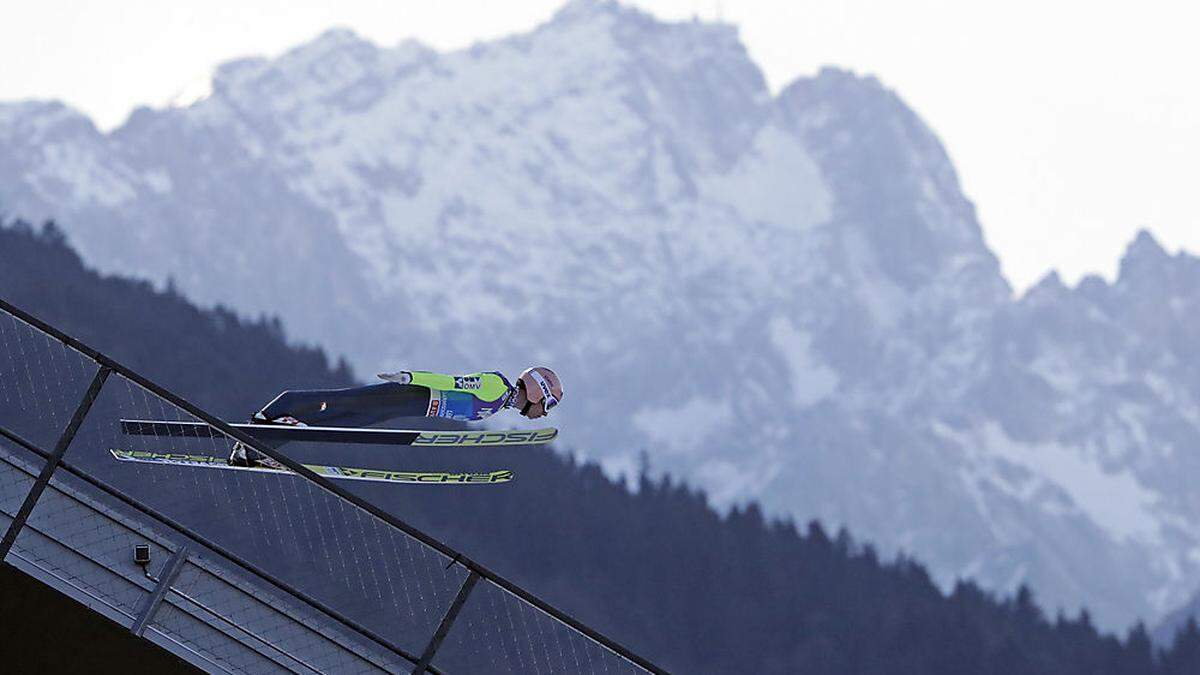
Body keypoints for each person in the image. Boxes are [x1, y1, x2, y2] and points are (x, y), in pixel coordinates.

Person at [229, 367, 564, 467]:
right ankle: (267, 417)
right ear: (537, 393)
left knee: (336, 425)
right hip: (409, 396)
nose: (540, 414)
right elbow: (450, 383)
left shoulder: (500, 401)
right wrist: (409, 377)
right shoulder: (495, 386)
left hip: (406, 408)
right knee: (338, 403)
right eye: (544, 406)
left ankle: (256, 447)